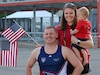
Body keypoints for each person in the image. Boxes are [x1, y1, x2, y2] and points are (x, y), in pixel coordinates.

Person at [56, 3, 94, 75]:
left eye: (71, 13)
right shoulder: (58, 28)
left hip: (82, 61)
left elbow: (90, 44)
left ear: (75, 14)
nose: (68, 15)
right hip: (67, 61)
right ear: (63, 14)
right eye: (66, 13)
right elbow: (54, 45)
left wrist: (77, 42)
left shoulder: (82, 25)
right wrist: (43, 49)